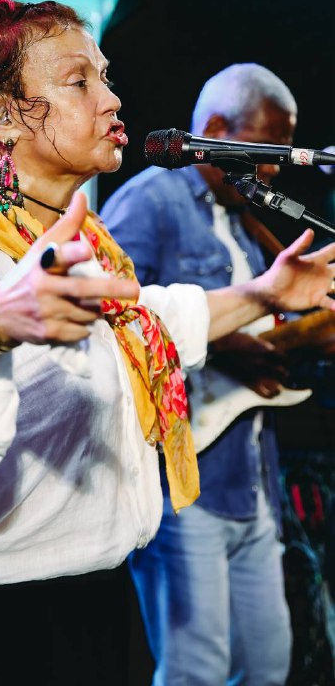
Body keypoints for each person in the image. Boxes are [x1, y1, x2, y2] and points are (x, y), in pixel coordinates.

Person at [0, 0, 335, 686]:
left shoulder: (77, 238)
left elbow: (146, 321)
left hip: (76, 606)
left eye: (105, 76)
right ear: (2, 115)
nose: (112, 99)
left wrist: (264, 293)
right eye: (79, 82)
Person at [101, 62, 310, 685]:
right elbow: (109, 324)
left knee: (267, 667)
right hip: (181, 488)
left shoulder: (243, 217)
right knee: (196, 671)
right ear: (216, 130)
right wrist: (224, 344)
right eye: (266, 149)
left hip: (252, 479)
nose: (273, 169)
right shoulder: (150, 203)